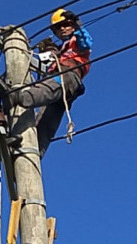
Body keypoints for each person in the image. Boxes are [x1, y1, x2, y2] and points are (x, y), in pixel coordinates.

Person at [6, 8, 92, 157]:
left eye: (66, 25)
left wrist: (78, 24)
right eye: (58, 27)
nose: (63, 29)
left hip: (67, 78)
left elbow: (86, 41)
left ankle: (20, 97)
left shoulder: (77, 42)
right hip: (63, 87)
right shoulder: (61, 51)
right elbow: (44, 62)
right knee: (45, 121)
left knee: (45, 90)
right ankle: (33, 153)